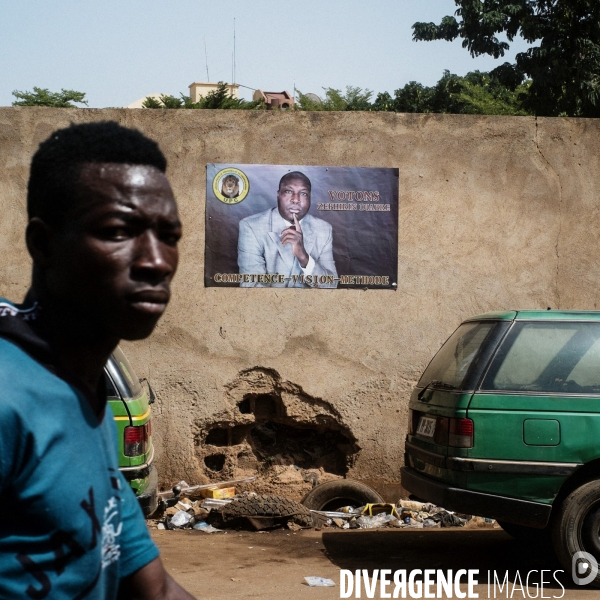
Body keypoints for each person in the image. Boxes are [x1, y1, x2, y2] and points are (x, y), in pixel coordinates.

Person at [0, 122, 195, 599]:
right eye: (117, 231)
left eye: (168, 235)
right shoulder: (8, 396)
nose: (156, 260)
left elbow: (153, 589)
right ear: (43, 245)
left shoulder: (85, 393)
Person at [237, 171, 337, 287]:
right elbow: (251, 285)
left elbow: (331, 285)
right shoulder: (251, 227)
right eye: (289, 192)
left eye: (303, 193)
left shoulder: (323, 229)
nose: (295, 199)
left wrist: (304, 258)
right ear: (278, 194)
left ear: (310, 198)